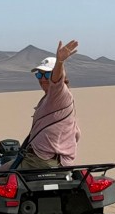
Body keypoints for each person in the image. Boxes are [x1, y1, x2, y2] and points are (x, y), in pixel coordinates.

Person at [17, 39, 81, 169]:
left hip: (42, 161)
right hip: (50, 159)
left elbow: (56, 81)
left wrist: (59, 62)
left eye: (47, 74)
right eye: (39, 75)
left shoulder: (59, 93)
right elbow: (77, 133)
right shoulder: (51, 98)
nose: (42, 79)